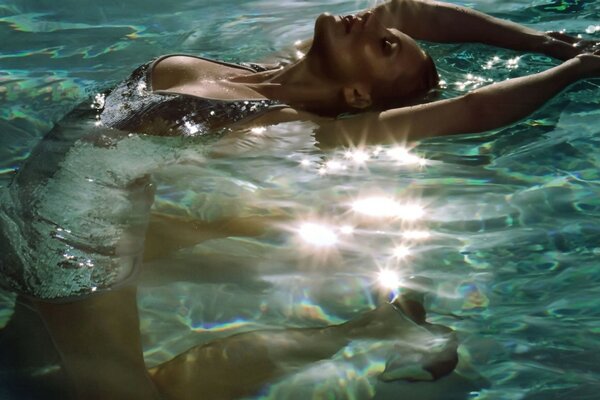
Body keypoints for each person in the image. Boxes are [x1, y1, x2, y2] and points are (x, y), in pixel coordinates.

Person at [1, 0, 599, 399]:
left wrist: (572, 72)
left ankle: (369, 329)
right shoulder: (257, 69)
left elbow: (471, 111)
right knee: (30, 359)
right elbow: (408, 9)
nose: (371, 20)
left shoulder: (303, 125)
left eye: (386, 46)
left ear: (359, 93)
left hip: (73, 248)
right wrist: (544, 40)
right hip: (37, 205)